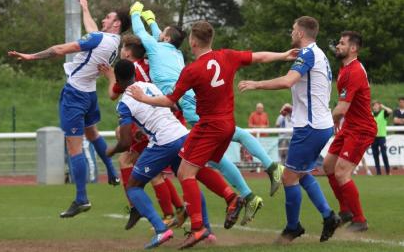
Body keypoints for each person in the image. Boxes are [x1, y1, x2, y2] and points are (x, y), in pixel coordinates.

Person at [129, 20, 297, 248]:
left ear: (193, 41)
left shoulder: (192, 70)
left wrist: (143, 98)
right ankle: (235, 197)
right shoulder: (227, 56)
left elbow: (169, 100)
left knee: (186, 173)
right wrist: (284, 55)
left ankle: (199, 227)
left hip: (208, 127)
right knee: (203, 166)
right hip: (227, 126)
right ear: (211, 39)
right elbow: (258, 56)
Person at [8, 0, 130, 218]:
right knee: (92, 133)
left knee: (74, 147)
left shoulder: (98, 39)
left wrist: (31, 56)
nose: (104, 18)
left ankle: (82, 198)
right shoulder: (114, 42)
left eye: (109, 17)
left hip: (75, 95)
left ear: (117, 23)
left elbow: (61, 49)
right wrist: (85, 9)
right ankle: (112, 172)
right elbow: (93, 29)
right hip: (89, 92)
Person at [238, 16, 341, 243]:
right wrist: (294, 108)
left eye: (293, 29)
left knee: (288, 177)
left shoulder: (307, 54)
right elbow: (315, 91)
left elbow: (287, 81)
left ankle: (293, 228)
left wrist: (256, 84)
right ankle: (328, 216)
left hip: (311, 127)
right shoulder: (320, 54)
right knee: (301, 174)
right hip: (318, 125)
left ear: (301, 33)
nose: (291, 33)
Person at [107, 59, 212, 249]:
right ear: (134, 74)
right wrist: (145, 126)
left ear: (118, 80)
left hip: (164, 141)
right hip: (181, 134)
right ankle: (206, 229)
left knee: (133, 186)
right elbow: (171, 106)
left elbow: (125, 142)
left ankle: (161, 229)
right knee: (188, 179)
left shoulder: (124, 103)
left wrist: (111, 151)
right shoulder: (150, 86)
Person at [98, 34, 186, 230]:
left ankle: (161, 215)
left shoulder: (134, 69)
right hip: (170, 121)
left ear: (128, 52)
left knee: (135, 168)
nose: (121, 50)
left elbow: (114, 93)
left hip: (157, 129)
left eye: (122, 47)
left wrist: (110, 75)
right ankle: (189, 214)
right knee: (182, 174)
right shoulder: (150, 65)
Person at [321, 31, 377, 233]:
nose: (337, 45)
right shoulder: (344, 70)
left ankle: (360, 220)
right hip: (349, 127)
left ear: (353, 48)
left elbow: (342, 108)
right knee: (328, 166)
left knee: (342, 172)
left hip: (361, 129)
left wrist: (322, 121)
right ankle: (346, 211)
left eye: (342, 43)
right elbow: (342, 107)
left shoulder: (354, 72)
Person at [371, 101, 393, 175]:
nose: (375, 106)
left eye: (377, 105)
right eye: (374, 105)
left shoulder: (383, 113)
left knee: (384, 154)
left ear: (379, 106)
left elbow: (390, 111)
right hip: (373, 137)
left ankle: (388, 171)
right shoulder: (371, 115)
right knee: (375, 155)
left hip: (381, 137)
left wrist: (383, 106)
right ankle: (378, 172)